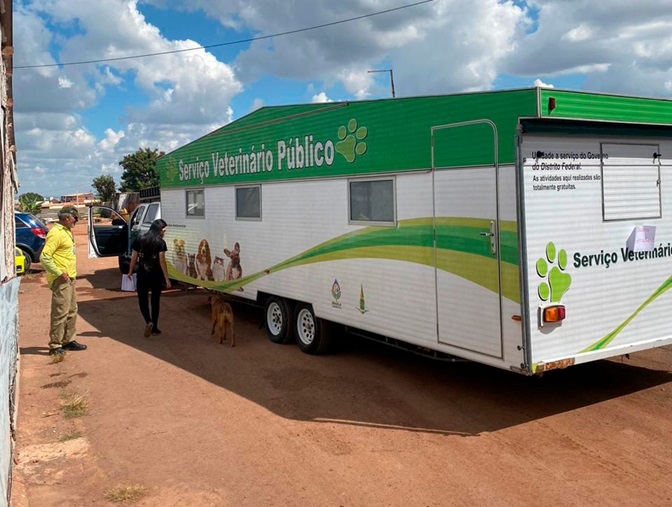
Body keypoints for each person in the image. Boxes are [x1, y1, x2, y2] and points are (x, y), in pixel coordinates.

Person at [40, 206, 87, 360]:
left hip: (70, 278)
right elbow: (45, 257)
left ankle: (68, 340)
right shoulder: (56, 233)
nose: (76, 221)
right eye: (75, 218)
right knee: (60, 313)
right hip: (61, 280)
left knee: (72, 310)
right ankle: (55, 345)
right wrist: (60, 273)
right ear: (67, 217)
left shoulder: (66, 231)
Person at [127, 218, 171, 337]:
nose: (164, 232)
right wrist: (166, 278)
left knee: (143, 300)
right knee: (155, 301)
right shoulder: (161, 242)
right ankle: (155, 328)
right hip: (156, 274)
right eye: (164, 230)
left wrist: (130, 271)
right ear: (159, 229)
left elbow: (134, 257)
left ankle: (148, 321)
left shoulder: (139, 239)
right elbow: (162, 261)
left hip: (142, 273)